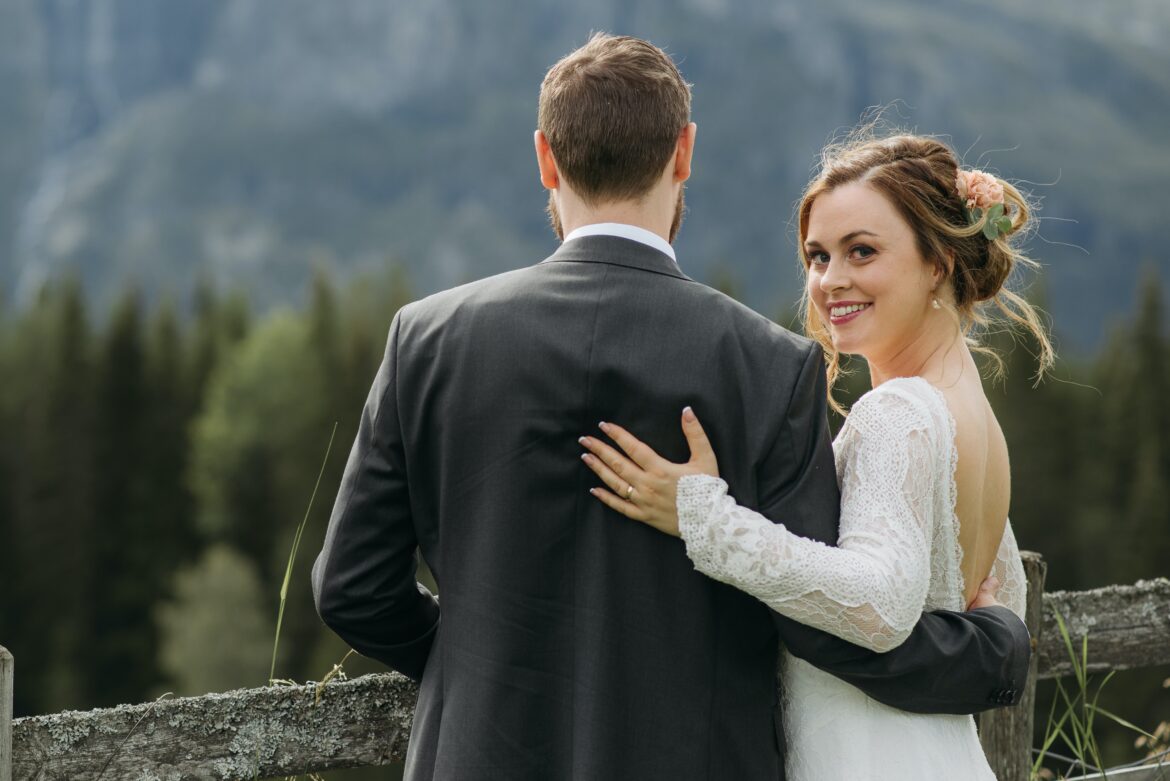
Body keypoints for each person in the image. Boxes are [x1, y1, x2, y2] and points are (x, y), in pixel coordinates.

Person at [312, 34, 1031, 781]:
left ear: (544, 159)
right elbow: (820, 630)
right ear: (684, 153)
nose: (828, 277)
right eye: (820, 255)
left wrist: (479, 668)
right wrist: (995, 648)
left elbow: (353, 589)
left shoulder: (424, 339)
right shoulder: (770, 367)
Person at [580, 131, 1051, 778]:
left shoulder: (900, 412)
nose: (831, 281)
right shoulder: (973, 418)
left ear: (938, 260)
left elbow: (881, 604)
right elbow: (1002, 597)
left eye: (862, 251)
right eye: (817, 255)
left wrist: (705, 517)